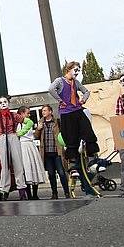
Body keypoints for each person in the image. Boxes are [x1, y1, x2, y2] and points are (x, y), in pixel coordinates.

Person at [48, 61, 99, 196]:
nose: (76, 73)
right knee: (70, 138)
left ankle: (92, 155)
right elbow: (51, 89)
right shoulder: (60, 81)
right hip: (66, 113)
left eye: (78, 71)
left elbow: (86, 91)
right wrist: (60, 100)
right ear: (68, 69)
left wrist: (83, 99)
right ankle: (73, 164)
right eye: (75, 70)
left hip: (77, 109)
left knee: (87, 129)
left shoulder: (76, 83)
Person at [35, 105, 70, 199]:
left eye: (45, 110)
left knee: (61, 173)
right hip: (46, 153)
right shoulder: (41, 122)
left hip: (57, 152)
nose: (43, 112)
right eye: (42, 111)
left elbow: (63, 134)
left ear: (50, 112)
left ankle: (67, 192)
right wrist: (38, 128)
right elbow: (35, 136)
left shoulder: (57, 122)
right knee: (51, 174)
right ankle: (54, 193)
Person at [16, 107, 46, 199]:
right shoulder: (18, 124)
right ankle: (29, 194)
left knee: (34, 167)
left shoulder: (29, 123)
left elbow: (32, 135)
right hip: (23, 146)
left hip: (31, 145)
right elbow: (17, 135)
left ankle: (35, 194)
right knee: (26, 169)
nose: (29, 115)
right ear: (21, 114)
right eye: (27, 113)